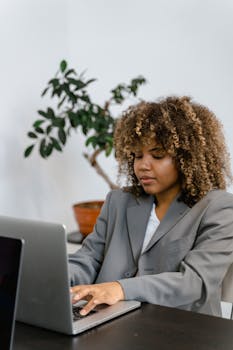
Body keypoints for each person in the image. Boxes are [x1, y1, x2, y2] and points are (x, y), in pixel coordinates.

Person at [69, 95, 233, 317]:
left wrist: (120, 288)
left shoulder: (218, 208)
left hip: (180, 329)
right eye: (137, 156)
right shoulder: (118, 201)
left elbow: (194, 282)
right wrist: (59, 277)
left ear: (187, 157)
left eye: (157, 155)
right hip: (107, 322)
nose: (143, 166)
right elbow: (89, 258)